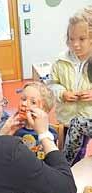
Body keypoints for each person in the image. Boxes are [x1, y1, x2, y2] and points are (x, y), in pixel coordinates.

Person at [49, 5, 92, 162]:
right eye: (71, 39)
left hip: (87, 118)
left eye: (82, 39)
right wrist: (62, 93)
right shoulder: (61, 61)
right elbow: (52, 84)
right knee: (64, 147)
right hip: (66, 118)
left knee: (80, 151)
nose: (75, 44)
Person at [14, 81, 58, 160]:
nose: (24, 104)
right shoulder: (12, 129)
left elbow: (51, 160)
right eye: (23, 99)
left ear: (44, 111)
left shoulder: (49, 134)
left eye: (33, 102)